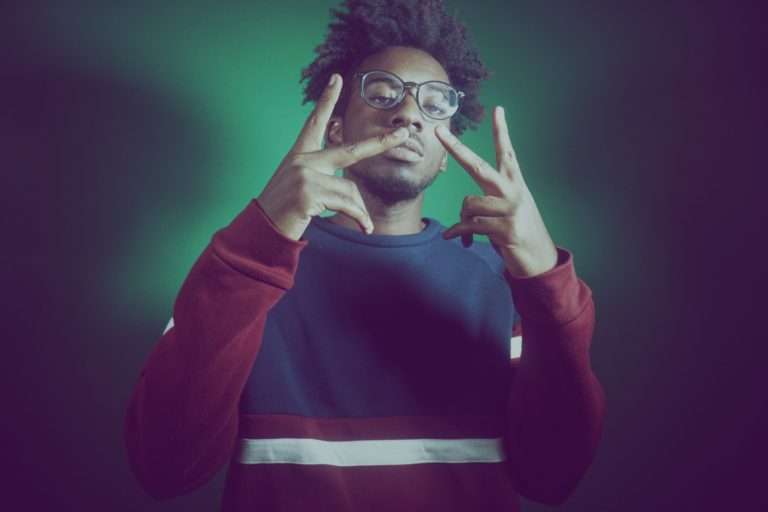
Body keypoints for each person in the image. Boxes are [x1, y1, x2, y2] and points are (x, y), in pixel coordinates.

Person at [124, 0, 606, 510]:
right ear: (336, 128)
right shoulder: (245, 274)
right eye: (381, 93)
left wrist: (546, 280)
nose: (408, 114)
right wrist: (261, 238)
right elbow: (164, 467)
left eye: (434, 104)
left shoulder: (502, 282)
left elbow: (553, 476)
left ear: (445, 152)